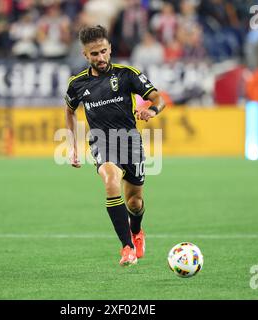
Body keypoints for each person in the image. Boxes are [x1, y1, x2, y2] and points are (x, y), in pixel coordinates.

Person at [65, 25, 166, 266]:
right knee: (110, 180)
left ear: (110, 49)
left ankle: (137, 231)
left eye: (103, 51)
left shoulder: (127, 74)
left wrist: (151, 110)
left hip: (130, 142)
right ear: (85, 55)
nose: (100, 57)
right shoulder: (77, 84)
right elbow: (69, 112)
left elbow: (158, 99)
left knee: (135, 202)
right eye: (94, 54)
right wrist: (72, 146)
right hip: (101, 142)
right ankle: (127, 248)